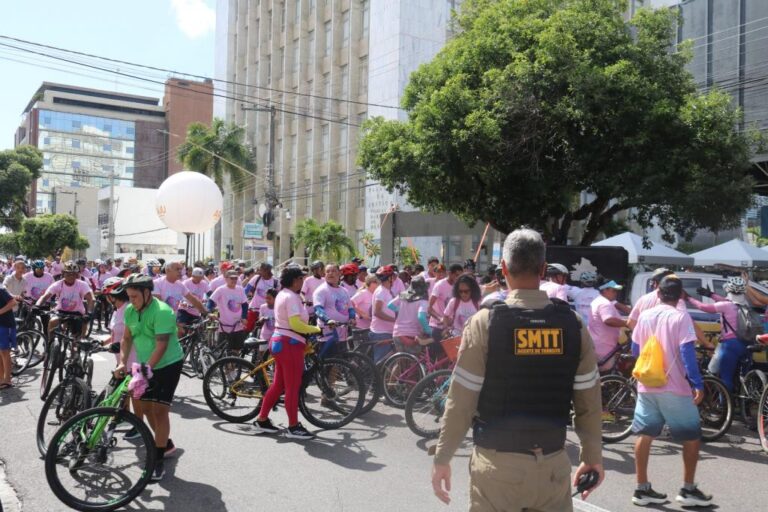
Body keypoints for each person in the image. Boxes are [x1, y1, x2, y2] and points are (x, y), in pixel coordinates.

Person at [432, 228, 604, 511]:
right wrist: (592, 457)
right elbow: (589, 400)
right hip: (553, 468)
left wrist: (442, 458)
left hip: (497, 470)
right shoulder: (572, 324)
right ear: (544, 269)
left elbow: (461, 400)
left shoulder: (484, 323)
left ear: (503, 269)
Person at [630, 275, 711, 507]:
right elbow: (687, 353)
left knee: (644, 435)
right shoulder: (680, 316)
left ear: (659, 293)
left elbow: (636, 349)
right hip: (674, 387)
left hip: (647, 385)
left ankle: (641, 488)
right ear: (680, 296)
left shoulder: (645, 316)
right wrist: (697, 383)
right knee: (692, 436)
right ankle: (687, 489)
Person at [114, 273, 184, 481]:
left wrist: (145, 372)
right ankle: (166, 444)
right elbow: (126, 338)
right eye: (129, 296)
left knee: (160, 411)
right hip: (144, 364)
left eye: (135, 296)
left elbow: (162, 346)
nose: (131, 301)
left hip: (167, 364)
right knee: (144, 408)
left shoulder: (162, 311)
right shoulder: (129, 310)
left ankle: (157, 459)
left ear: (147, 293)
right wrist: (122, 362)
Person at [253, 265, 320, 439]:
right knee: (292, 387)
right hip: (289, 343)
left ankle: (262, 420)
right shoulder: (291, 297)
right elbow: (296, 324)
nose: (303, 281)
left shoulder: (284, 294)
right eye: (300, 279)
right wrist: (316, 329)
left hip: (281, 341)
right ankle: (293, 426)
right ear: (294, 280)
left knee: (279, 386)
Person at [686, 276, 749, 391]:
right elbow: (726, 301)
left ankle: (724, 405)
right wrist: (710, 294)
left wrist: (689, 298)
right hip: (746, 344)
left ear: (728, 290)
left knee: (725, 377)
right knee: (742, 376)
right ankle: (745, 402)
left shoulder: (726, 305)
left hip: (730, 345)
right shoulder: (745, 305)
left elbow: (704, 307)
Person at [36, 261, 94, 339]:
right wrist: (37, 306)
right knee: (52, 322)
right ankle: (49, 343)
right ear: (63, 274)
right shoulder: (58, 284)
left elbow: (90, 299)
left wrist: (89, 313)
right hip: (61, 311)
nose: (71, 276)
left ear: (76, 274)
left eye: (73, 274)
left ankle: (76, 346)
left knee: (75, 339)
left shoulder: (82, 284)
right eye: (68, 274)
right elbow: (45, 296)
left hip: (77, 313)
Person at [313, 264, 355, 356]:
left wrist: (352, 317)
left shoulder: (344, 291)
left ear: (340, 273)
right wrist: (328, 320)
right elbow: (318, 309)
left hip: (343, 333)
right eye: (328, 271)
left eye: (333, 271)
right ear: (324, 274)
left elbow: (351, 308)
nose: (330, 273)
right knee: (328, 363)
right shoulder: (321, 290)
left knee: (341, 363)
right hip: (328, 333)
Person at [588, 280, 629, 370]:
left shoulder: (599, 301)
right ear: (605, 290)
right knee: (605, 372)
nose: (616, 293)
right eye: (613, 290)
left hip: (598, 342)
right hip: (604, 345)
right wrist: (627, 324)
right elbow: (608, 320)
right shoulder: (604, 303)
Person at [208, 270, 249, 355]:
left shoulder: (240, 289)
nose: (234, 280)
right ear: (226, 279)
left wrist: (244, 317)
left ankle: (233, 367)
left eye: (236, 278)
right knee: (223, 350)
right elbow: (211, 302)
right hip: (224, 326)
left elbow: (245, 305)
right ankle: (225, 366)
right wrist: (210, 313)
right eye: (232, 278)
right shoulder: (221, 290)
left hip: (237, 325)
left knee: (236, 350)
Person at [387, 276, 432, 354]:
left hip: (397, 332)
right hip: (412, 335)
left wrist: (400, 310)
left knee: (402, 362)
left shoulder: (403, 295)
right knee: (415, 363)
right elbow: (421, 317)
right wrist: (429, 331)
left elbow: (390, 305)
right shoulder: (423, 300)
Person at [428, 263, 463, 343]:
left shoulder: (459, 286)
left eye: (460, 276)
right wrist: (440, 318)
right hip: (437, 326)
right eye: (456, 275)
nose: (458, 278)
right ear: (449, 273)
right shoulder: (439, 285)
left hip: (452, 328)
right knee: (437, 354)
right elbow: (429, 308)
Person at [370, 265, 397, 363]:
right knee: (381, 362)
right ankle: (376, 379)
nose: (394, 279)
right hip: (381, 332)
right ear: (389, 278)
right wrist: (394, 320)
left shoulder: (387, 291)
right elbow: (377, 312)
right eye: (393, 277)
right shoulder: (381, 291)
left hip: (388, 331)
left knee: (388, 361)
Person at [0, 286, 18, 389]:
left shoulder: (1, 289)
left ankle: (7, 380)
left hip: (5, 324)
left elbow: (13, 302)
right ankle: (1, 379)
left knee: (4, 352)